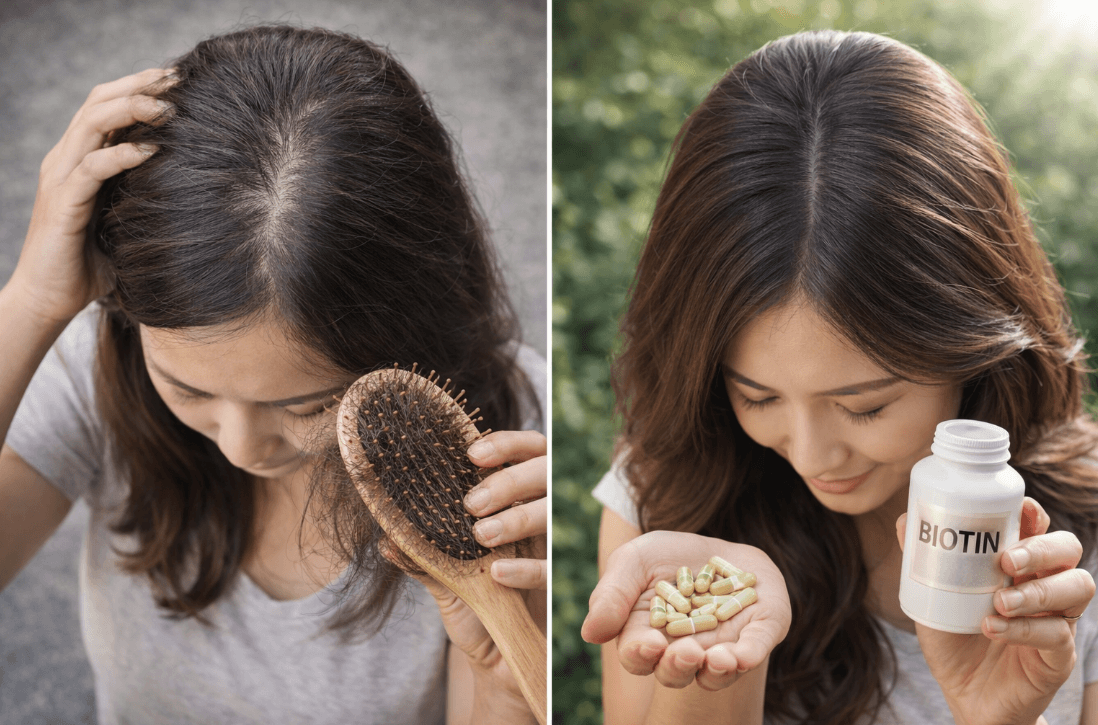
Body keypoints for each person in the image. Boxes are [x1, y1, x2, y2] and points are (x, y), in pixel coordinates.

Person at [0, 24, 545, 725]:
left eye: (310, 403)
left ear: (410, 333)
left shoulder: (505, 452)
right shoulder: (97, 363)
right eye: (190, 389)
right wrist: (31, 301)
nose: (241, 446)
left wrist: (507, 676)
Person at [581, 30, 1098, 725]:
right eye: (755, 395)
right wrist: (712, 674)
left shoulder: (1075, 553)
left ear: (972, 345)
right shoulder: (667, 502)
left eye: (865, 406)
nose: (813, 454)